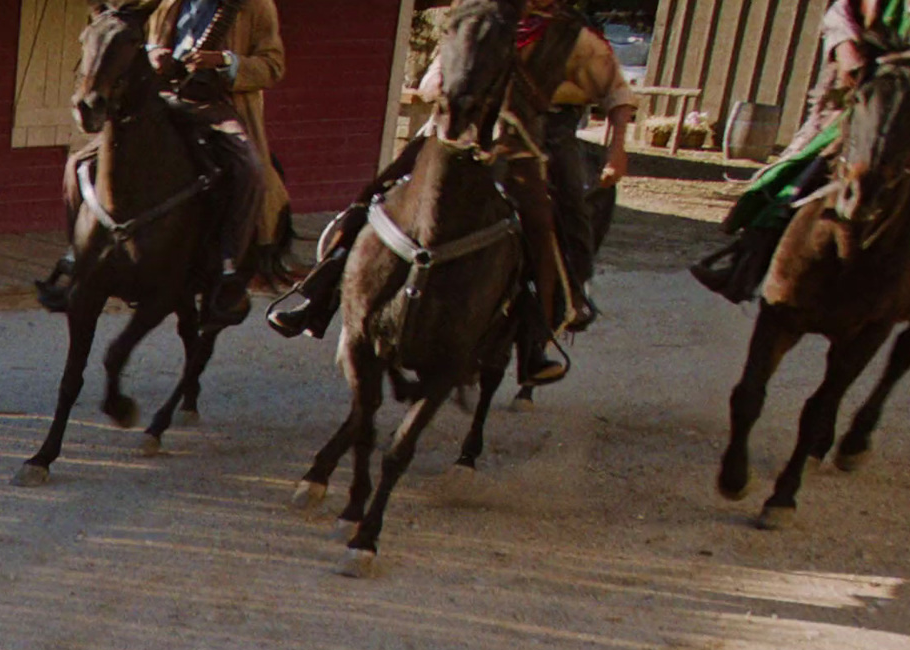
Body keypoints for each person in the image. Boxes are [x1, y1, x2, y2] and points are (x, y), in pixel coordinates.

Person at [267, 0, 635, 387]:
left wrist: (618, 149)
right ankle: (319, 293)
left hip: (538, 134)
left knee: (555, 217)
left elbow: (617, 94)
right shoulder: (478, 21)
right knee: (377, 191)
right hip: (457, 125)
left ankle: (545, 326)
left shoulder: (571, 38)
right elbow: (432, 81)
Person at [690, 0, 910, 337]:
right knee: (802, 162)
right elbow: (842, 13)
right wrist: (847, 47)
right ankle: (749, 256)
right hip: (880, 93)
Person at [37, 0, 287, 329]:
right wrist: (154, 54)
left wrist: (224, 61)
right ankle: (76, 255)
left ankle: (230, 271)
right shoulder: (163, 2)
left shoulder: (254, 6)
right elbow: (134, 39)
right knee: (77, 164)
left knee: (251, 168)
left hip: (216, 104)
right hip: (161, 100)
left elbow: (273, 66)